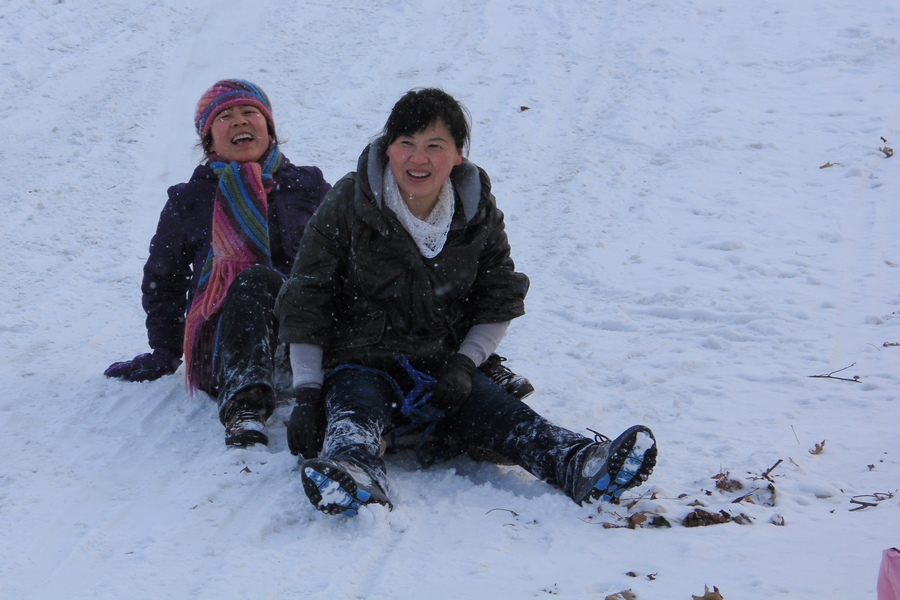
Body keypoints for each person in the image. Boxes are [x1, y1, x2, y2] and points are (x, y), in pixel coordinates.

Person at [275, 88, 657, 516]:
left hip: (440, 366)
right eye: (406, 145)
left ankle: (579, 462)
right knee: (355, 415)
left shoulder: (475, 210)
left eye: (434, 146)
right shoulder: (349, 202)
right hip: (358, 361)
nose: (418, 159)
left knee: (506, 416)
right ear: (388, 150)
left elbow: (499, 294)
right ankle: (355, 472)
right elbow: (308, 296)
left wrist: (464, 363)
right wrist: (308, 394)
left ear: (457, 154)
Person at [104, 79, 331, 447]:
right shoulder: (189, 199)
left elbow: (347, 255)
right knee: (254, 279)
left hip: (301, 335)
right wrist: (165, 350)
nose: (240, 121)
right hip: (222, 349)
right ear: (209, 138)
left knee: (287, 282)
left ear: (268, 128)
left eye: (250, 112)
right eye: (225, 116)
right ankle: (244, 406)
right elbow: (164, 280)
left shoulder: (308, 185)